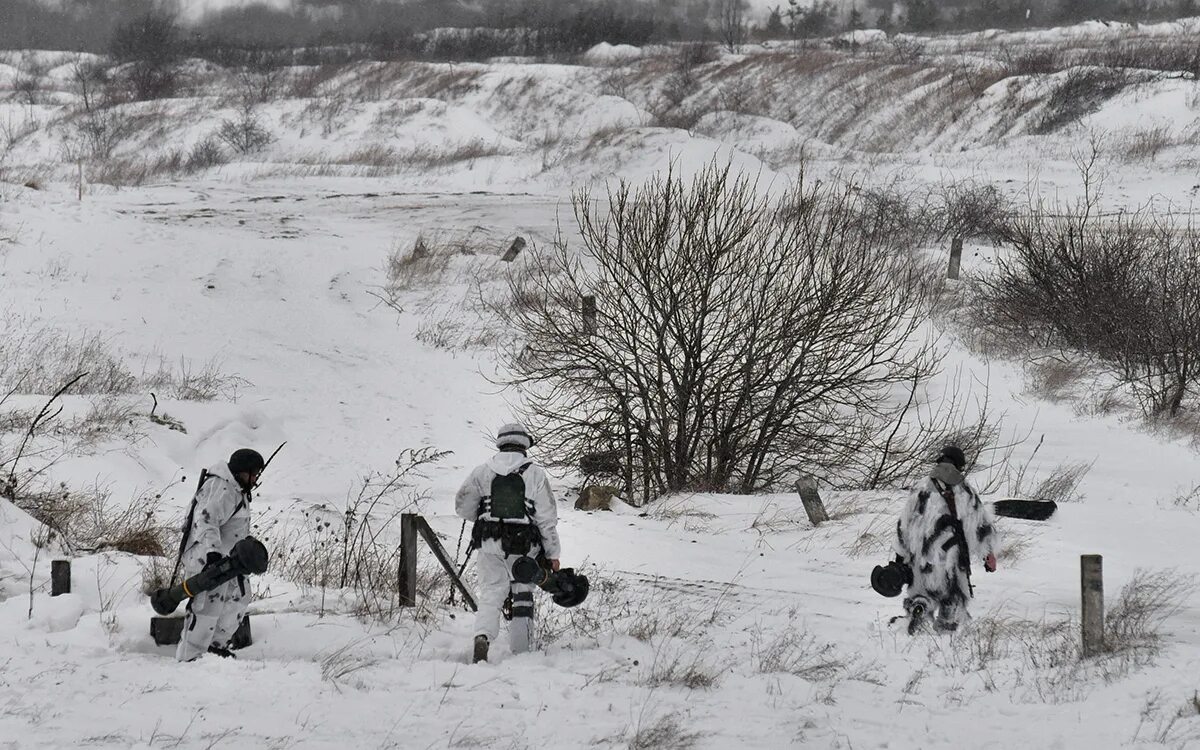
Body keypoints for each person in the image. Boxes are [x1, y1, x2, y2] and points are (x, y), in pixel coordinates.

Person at [455, 422, 561, 663]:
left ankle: (482, 637)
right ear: (525, 444)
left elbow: (462, 507)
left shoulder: (482, 472)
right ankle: (521, 652)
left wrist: (485, 517)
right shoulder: (534, 473)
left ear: (500, 442)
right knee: (523, 591)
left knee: (491, 594)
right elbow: (547, 519)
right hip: (525, 548)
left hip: (489, 544)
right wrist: (553, 553)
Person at [893, 445, 999, 633]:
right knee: (953, 600)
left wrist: (900, 557)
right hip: (951, 561)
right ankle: (946, 633)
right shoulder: (965, 491)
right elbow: (980, 525)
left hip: (922, 561)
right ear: (959, 465)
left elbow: (904, 525)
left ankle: (920, 610)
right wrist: (988, 554)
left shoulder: (921, 488)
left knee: (921, 595)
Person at [175, 448, 264, 662]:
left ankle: (215, 647)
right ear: (241, 471)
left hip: (232, 560)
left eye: (256, 474)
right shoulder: (221, 487)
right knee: (206, 608)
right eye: (252, 474)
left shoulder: (237, 489)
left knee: (238, 600)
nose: (254, 479)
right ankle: (191, 656)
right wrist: (212, 552)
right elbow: (205, 521)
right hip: (207, 558)